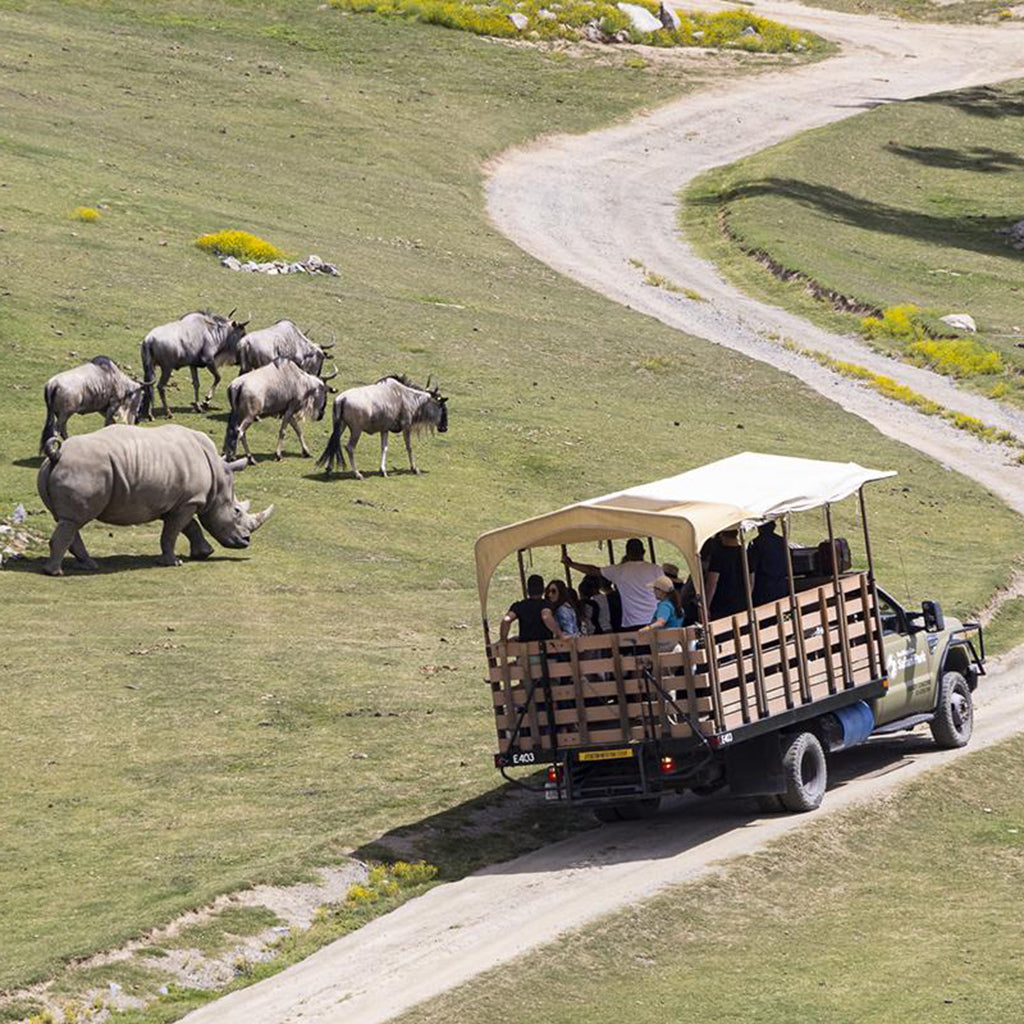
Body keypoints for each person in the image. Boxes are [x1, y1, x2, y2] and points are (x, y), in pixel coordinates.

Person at [562, 538, 662, 630]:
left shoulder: (619, 570)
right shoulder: (656, 569)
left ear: (627, 552)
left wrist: (571, 564)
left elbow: (592, 570)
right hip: (654, 620)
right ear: (644, 552)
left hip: (633, 623)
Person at [500, 574, 563, 643]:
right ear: (543, 590)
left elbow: (506, 620)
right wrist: (560, 635)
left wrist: (503, 640)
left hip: (525, 649)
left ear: (527, 591)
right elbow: (546, 616)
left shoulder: (519, 606)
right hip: (545, 648)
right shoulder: (546, 604)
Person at [705, 529, 750, 621]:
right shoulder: (746, 554)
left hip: (722, 603)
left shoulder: (719, 555)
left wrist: (706, 605)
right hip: (741, 601)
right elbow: (751, 580)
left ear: (722, 535)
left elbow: (712, 583)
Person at [749, 520, 790, 606]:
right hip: (781, 585)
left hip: (762, 588)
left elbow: (751, 568)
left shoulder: (755, 543)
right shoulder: (782, 541)